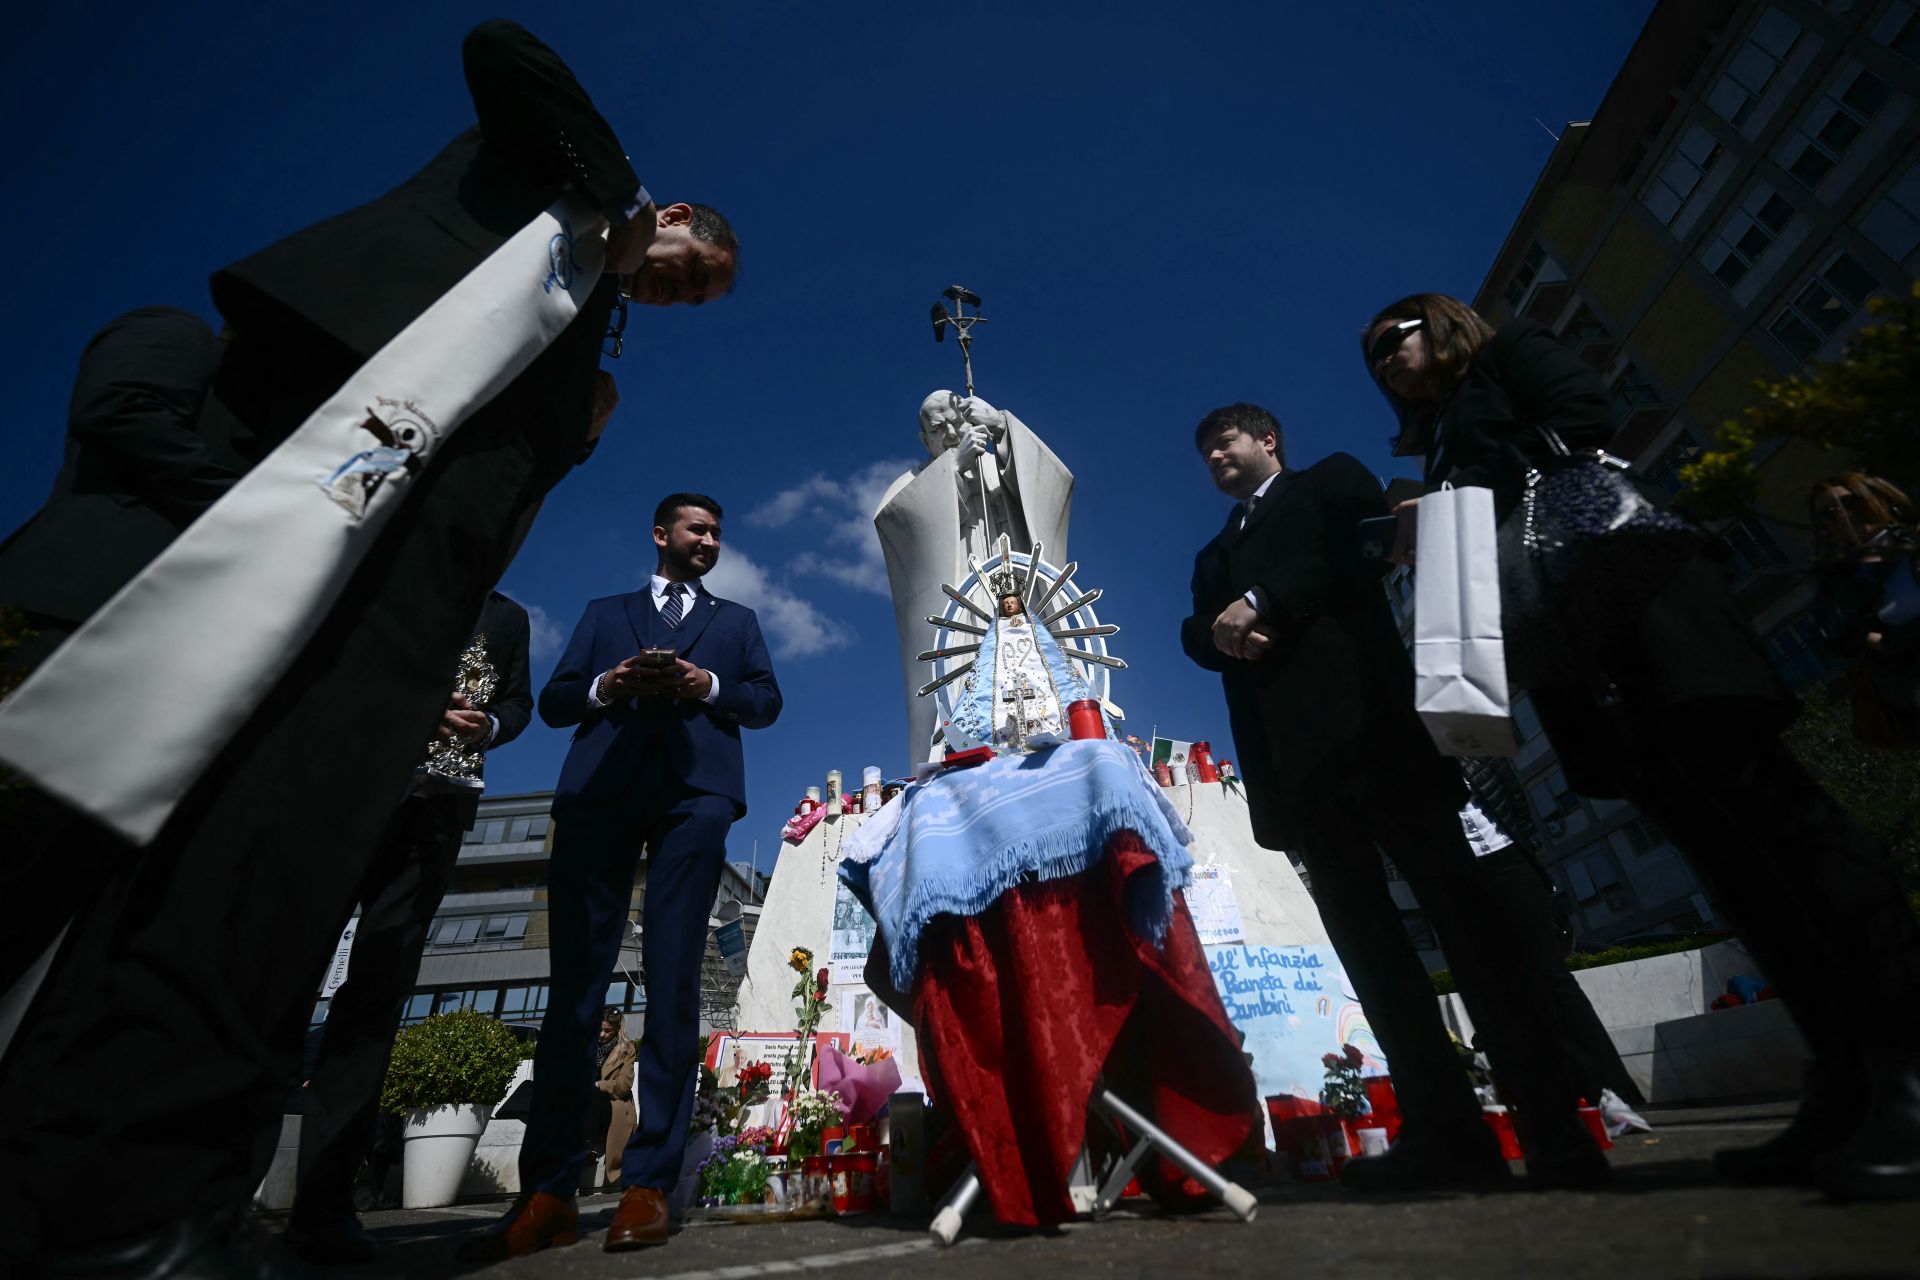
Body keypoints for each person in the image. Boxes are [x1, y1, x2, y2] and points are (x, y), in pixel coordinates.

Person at [0, 21, 739, 1276]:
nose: (665, 293)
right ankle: (111, 1196)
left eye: (685, 298)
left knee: (275, 878)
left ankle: (158, 1190)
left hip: (416, 590)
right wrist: (608, 195)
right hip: (327, 460)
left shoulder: (588, 348)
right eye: (678, 265)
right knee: (202, 844)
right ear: (663, 213)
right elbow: (503, 46)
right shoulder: (559, 199)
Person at [1362, 292, 1920, 1202]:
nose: (1386, 360)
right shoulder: (1440, 441)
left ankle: (1904, 1063)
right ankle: (1846, 1084)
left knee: (1792, 835)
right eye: (1373, 356)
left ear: (1444, 325)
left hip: (1651, 617)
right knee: (1734, 869)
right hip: (1588, 659)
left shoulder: (1511, 359)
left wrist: (1464, 504)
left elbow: (1587, 418)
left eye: (1397, 338)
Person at [1179, 403, 1609, 1190]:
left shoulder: (1331, 482)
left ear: (1269, 438)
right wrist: (1219, 630)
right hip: (1297, 777)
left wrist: (1267, 602)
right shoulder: (1214, 554)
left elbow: (1361, 549)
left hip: (1377, 740)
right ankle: (1445, 1132)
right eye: (1204, 452)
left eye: (1226, 441)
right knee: (1373, 955)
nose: (1215, 457)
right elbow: (1195, 627)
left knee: (1470, 930)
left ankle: (1553, 1127)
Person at [459, 492, 781, 1258]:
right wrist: (615, 684)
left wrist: (705, 686)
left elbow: (766, 702)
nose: (709, 541)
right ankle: (549, 1189)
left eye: (717, 534)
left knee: (673, 982)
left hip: (694, 800)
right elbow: (559, 700)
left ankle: (650, 1184)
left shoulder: (735, 623)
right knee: (575, 984)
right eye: (697, 529)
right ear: (661, 533)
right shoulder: (607, 613)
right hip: (601, 793)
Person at [283, 590, 533, 1265]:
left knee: (375, 1000)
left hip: (434, 816)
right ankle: (212, 1191)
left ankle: (325, 1204)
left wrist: (489, 727)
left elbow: (517, 704)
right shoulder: (392, 574)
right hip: (343, 796)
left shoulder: (506, 618)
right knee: (282, 976)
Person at [1808, 473, 1920, 748]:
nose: (1843, 515)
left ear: (1874, 497)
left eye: (1850, 501)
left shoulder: (1913, 543)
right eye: (1828, 513)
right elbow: (1832, 637)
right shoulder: (1838, 580)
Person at [590, 1008, 638, 1190]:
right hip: (585, 1098)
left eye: (607, 1031)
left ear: (617, 1030)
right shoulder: (587, 1044)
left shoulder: (627, 1049)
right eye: (600, 1029)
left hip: (612, 1101)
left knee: (594, 1095)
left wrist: (600, 1085)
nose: (602, 1035)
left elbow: (623, 1085)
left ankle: (588, 1146)